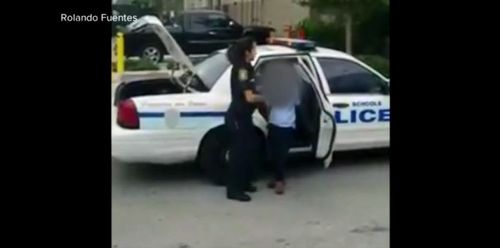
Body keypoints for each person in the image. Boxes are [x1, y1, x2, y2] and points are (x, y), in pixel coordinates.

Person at [224, 37, 264, 202]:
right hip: (238, 117)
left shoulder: (248, 67)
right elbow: (249, 97)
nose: (255, 52)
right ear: (247, 52)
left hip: (245, 116)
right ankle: (233, 190)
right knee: (238, 155)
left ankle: (244, 183)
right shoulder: (241, 69)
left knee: (249, 150)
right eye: (254, 49)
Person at [261, 60, 301, 195]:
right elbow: (297, 103)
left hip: (282, 123)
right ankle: (278, 179)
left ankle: (280, 180)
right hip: (281, 123)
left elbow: (267, 103)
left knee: (278, 155)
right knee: (276, 154)